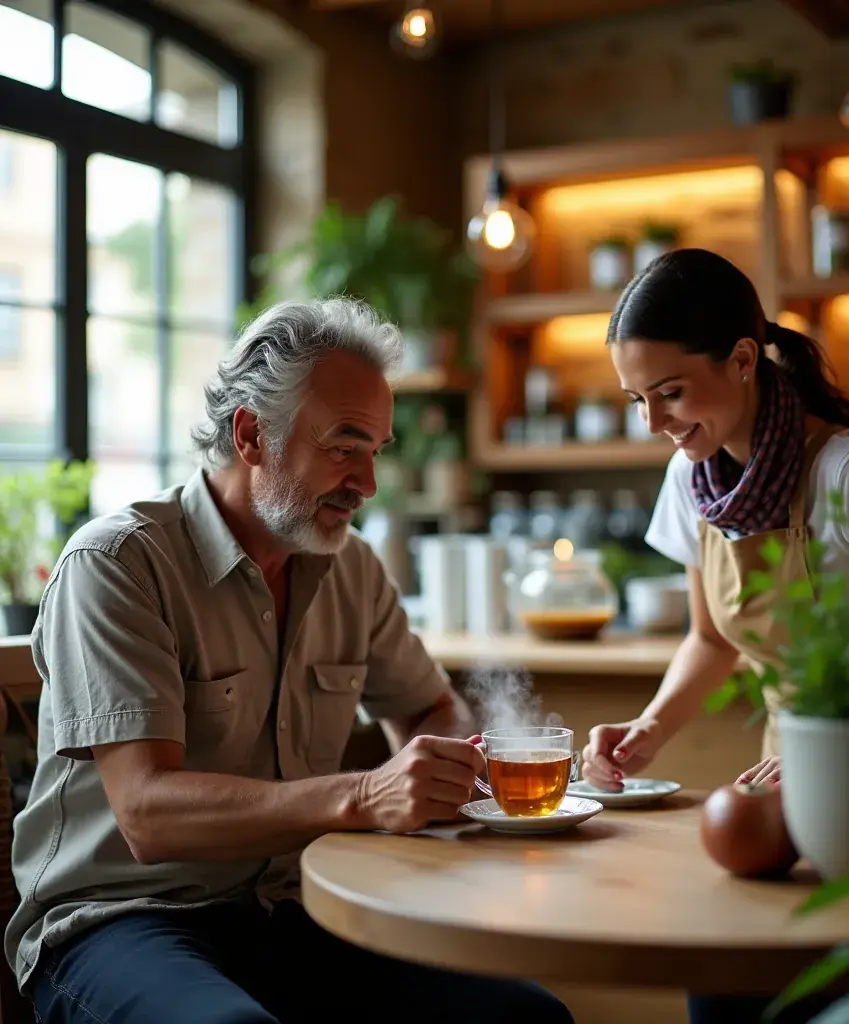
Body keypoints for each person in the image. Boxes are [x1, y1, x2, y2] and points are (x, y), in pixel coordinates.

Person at [6, 298, 573, 1024]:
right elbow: (147, 813)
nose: (367, 484)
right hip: (121, 920)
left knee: (526, 1016)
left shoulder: (352, 568)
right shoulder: (118, 563)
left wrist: (447, 773)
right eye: (344, 445)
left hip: (297, 909)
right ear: (251, 434)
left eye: (377, 450)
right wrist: (367, 796)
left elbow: (430, 708)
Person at [581, 249, 849, 1024]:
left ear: (743, 359)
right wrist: (648, 731)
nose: (654, 424)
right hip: (793, 797)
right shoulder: (692, 478)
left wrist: (835, 739)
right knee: (718, 988)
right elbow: (713, 641)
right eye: (636, 399)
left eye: (670, 393)